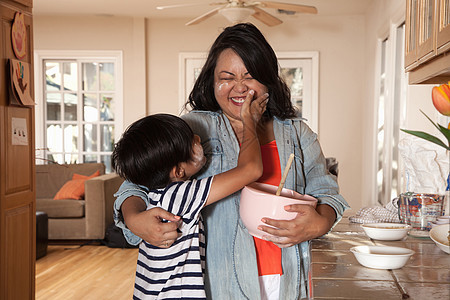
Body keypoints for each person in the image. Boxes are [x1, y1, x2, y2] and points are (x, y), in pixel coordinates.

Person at [114, 23, 350, 299]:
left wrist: (319, 223)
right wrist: (134, 218)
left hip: (288, 279)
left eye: (250, 77)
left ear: (267, 80)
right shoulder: (193, 129)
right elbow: (137, 182)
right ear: (212, 83)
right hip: (214, 284)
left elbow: (327, 194)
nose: (239, 88)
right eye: (226, 77)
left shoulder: (298, 134)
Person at [111, 91, 267, 299]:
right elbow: (251, 169)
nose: (198, 138)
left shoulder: (157, 196)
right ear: (178, 172)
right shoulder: (181, 196)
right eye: (192, 142)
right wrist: (250, 121)